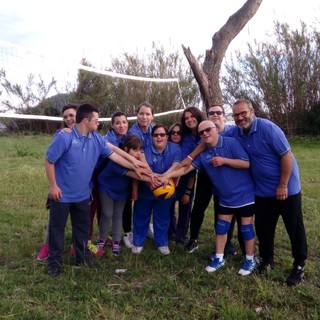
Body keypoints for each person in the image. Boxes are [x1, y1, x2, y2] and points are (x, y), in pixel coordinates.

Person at [45, 103, 148, 277]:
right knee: (57, 229)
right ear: (86, 121)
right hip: (61, 195)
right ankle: (54, 262)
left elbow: (114, 156)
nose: (98, 123)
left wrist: (136, 164)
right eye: (96, 120)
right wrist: (53, 186)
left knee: (82, 229)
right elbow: (49, 161)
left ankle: (82, 256)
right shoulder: (64, 138)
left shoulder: (96, 139)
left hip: (83, 195)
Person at [163, 120, 257, 275]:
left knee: (246, 229)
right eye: (201, 132)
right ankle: (219, 258)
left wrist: (224, 161)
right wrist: (167, 176)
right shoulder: (203, 154)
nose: (205, 133)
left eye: (208, 130)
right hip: (224, 196)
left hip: (244, 194)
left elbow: (246, 163)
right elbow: (185, 169)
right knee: (221, 228)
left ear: (215, 130)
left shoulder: (231, 142)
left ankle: (249, 259)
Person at [230, 98, 308, 286]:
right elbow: (217, 132)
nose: (240, 118)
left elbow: (286, 155)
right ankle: (267, 261)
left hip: (286, 188)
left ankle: (299, 266)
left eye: (243, 113)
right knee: (264, 229)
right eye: (236, 115)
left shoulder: (268, 128)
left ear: (252, 112)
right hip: (262, 191)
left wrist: (282, 185)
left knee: (294, 227)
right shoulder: (239, 133)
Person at [132, 124, 182, 255]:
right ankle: (138, 242)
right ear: (151, 137)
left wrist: (165, 177)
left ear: (167, 136)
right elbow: (140, 170)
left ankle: (162, 243)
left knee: (162, 216)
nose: (159, 137)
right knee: (141, 215)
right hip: (146, 188)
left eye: (162, 135)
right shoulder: (144, 150)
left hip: (166, 189)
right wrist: (150, 183)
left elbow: (176, 165)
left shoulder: (175, 148)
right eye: (155, 135)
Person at [36, 103, 78, 260]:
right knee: (54, 220)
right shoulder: (61, 134)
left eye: (71, 115)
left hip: (81, 187)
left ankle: (78, 246)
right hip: (60, 186)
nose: (68, 119)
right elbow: (50, 159)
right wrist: (53, 185)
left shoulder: (88, 135)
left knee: (80, 219)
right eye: (65, 116)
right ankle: (48, 246)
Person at [97, 135, 150, 256]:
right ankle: (102, 239)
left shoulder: (135, 160)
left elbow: (143, 169)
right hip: (106, 187)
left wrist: (151, 173)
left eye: (139, 150)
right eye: (135, 150)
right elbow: (136, 175)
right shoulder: (116, 161)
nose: (138, 153)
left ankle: (116, 241)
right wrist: (155, 178)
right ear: (126, 149)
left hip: (122, 191)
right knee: (107, 213)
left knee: (118, 215)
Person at [178, 107, 210, 253]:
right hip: (196, 172)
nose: (189, 120)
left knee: (225, 209)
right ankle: (193, 239)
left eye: (192, 117)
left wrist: (190, 157)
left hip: (216, 172)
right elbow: (186, 161)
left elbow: (204, 144)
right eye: (186, 118)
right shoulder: (185, 135)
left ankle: (227, 244)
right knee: (198, 208)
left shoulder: (206, 131)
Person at [127, 101, 156, 240]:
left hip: (153, 168)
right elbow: (139, 154)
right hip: (138, 168)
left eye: (147, 114)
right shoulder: (133, 132)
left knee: (154, 199)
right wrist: (150, 175)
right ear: (137, 115)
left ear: (152, 117)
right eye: (141, 113)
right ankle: (137, 231)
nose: (144, 117)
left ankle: (148, 226)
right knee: (140, 200)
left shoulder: (155, 129)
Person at [168, 122, 196, 244]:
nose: (175, 135)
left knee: (184, 212)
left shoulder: (188, 151)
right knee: (169, 210)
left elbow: (192, 174)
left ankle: (180, 237)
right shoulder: (166, 148)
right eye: (173, 132)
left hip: (185, 184)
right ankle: (170, 234)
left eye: (178, 133)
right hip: (169, 184)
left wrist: (188, 192)